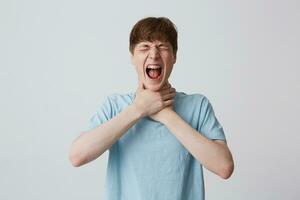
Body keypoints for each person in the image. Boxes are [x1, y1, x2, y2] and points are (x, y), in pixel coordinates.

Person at [69, 17, 234, 200]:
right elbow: (77, 156)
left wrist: (165, 115)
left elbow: (224, 167)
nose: (154, 54)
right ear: (132, 57)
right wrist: (138, 109)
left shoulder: (198, 106)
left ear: (174, 57)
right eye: (144, 47)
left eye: (162, 47)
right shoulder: (114, 106)